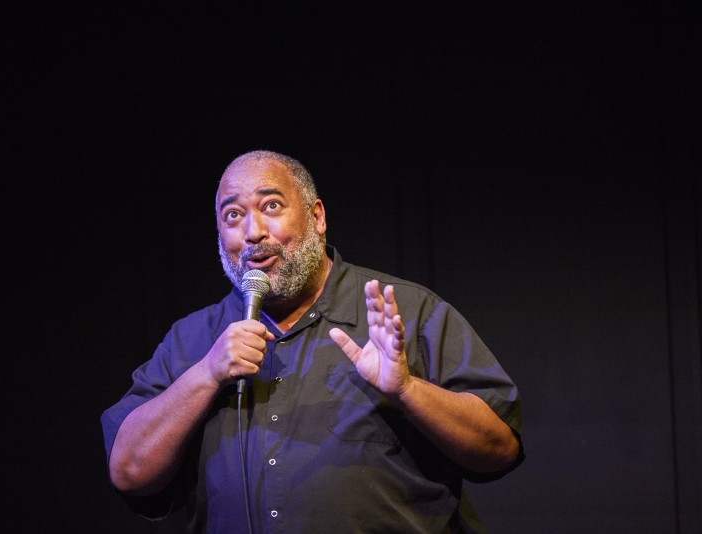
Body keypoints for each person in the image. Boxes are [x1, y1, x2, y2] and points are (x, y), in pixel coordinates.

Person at [101, 151, 524, 533]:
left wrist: (406, 389)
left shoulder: (405, 313)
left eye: (271, 206)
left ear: (316, 217)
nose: (253, 232)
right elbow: (129, 472)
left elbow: (499, 447)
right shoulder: (191, 340)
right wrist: (206, 374)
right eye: (233, 215)